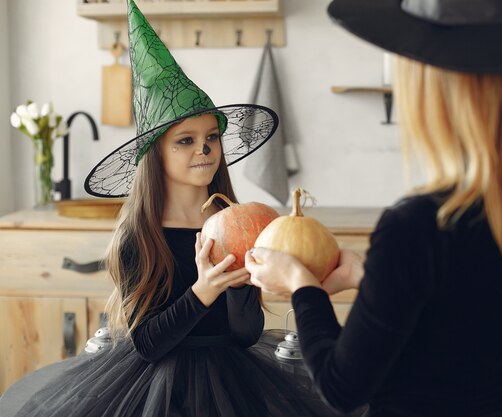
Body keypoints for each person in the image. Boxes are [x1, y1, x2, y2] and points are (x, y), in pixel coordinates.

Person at [245, 1, 502, 417]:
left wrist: (302, 285)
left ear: (440, 92)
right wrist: (368, 277)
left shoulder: (418, 227)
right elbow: (466, 321)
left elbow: (342, 388)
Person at [0, 1, 359, 417]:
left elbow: (244, 336)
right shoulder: (141, 235)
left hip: (235, 380)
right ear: (156, 155)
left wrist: (239, 287)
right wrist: (205, 289)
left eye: (211, 137)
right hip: (153, 389)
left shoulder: (238, 225)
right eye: (185, 140)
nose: (204, 148)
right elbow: (149, 344)